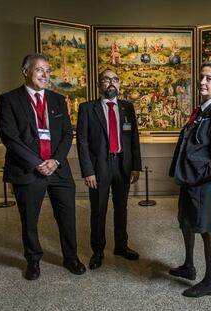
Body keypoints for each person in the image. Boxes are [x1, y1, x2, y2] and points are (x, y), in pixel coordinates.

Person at [0, 53, 86, 280]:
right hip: (27, 171)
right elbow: (10, 137)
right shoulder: (9, 100)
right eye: (39, 70)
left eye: (48, 71)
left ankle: (71, 257)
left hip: (58, 170)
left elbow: (67, 133)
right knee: (29, 219)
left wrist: (55, 160)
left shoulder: (57, 100)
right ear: (26, 71)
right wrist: (37, 163)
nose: (45, 75)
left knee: (67, 216)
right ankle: (33, 260)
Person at [169, 62, 211, 297]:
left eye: (209, 78)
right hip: (189, 179)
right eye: (202, 77)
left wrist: (200, 174)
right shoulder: (202, 109)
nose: (203, 82)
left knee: (206, 230)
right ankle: (189, 266)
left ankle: (210, 282)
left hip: (201, 183)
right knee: (185, 221)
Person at [76, 69, 141, 270]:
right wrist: (88, 171)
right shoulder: (87, 109)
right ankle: (97, 251)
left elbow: (134, 139)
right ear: (99, 84)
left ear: (119, 84)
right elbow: (83, 142)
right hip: (99, 168)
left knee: (121, 209)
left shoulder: (127, 108)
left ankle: (121, 246)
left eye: (115, 79)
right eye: (106, 79)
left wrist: (135, 166)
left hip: (123, 166)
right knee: (98, 210)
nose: (111, 83)